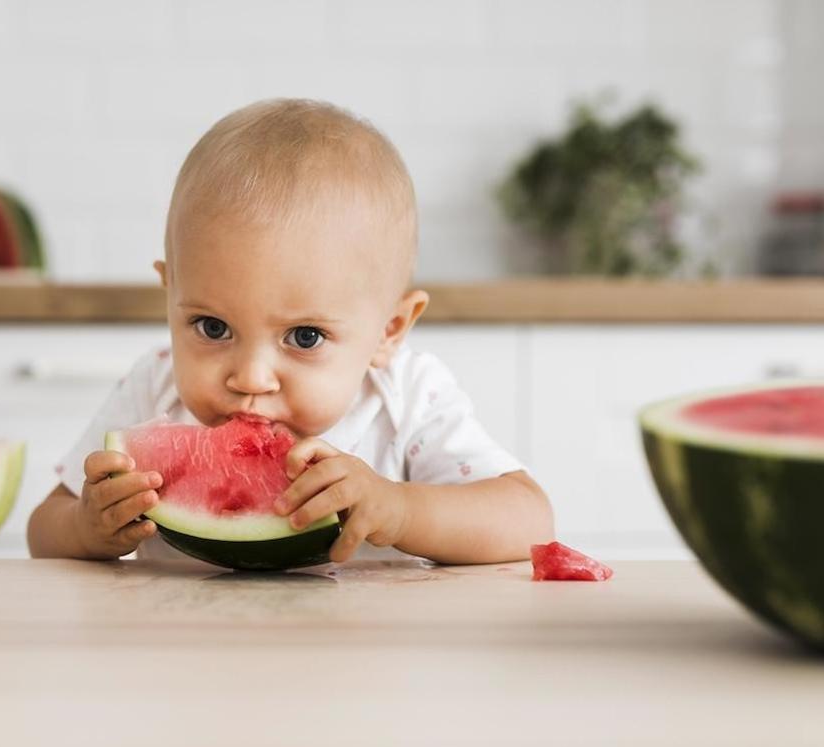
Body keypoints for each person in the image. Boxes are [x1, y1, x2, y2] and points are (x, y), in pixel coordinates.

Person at [28, 98, 553, 564]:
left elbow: (529, 518)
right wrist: (86, 527)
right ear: (169, 297)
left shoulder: (407, 397)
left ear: (388, 331)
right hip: (186, 655)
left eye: (305, 337)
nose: (252, 378)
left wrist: (398, 509)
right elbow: (43, 528)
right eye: (212, 327)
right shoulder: (154, 385)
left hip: (358, 661)